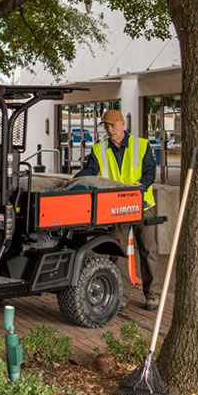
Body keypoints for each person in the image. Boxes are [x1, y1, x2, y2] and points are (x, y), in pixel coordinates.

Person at [74, 109, 160, 310]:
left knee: (149, 250)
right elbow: (90, 171)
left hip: (142, 204)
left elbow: (149, 173)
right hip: (116, 208)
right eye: (106, 126)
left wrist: (141, 187)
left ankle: (153, 295)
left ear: (122, 124)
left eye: (113, 125)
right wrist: (74, 181)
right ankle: (122, 295)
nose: (110, 130)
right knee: (118, 252)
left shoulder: (142, 145)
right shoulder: (99, 150)